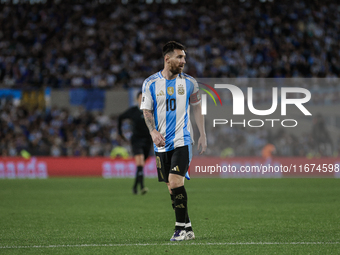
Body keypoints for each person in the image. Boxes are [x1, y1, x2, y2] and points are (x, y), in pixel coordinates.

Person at [141, 41, 207, 241]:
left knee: (176, 181)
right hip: (161, 143)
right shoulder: (150, 83)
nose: (183, 61)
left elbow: (196, 107)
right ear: (166, 58)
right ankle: (188, 227)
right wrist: (153, 132)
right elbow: (147, 111)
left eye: (184, 57)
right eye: (179, 57)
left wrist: (202, 134)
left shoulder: (190, 82)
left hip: (183, 140)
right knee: (171, 186)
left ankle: (180, 230)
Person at [118, 91, 153, 195]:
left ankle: (134, 187)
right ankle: (142, 187)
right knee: (140, 161)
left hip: (147, 140)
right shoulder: (133, 111)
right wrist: (120, 133)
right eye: (141, 98)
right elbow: (120, 117)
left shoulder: (151, 110)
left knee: (141, 165)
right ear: (137, 99)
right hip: (136, 140)